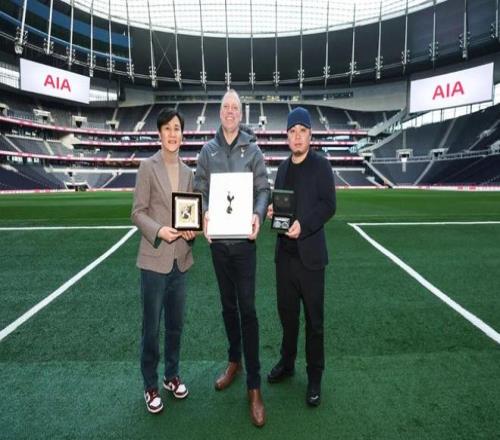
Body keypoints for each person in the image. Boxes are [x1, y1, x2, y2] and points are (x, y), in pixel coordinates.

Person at [194, 90, 270, 427]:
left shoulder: (253, 150)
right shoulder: (207, 151)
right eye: (225, 106)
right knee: (227, 306)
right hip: (218, 245)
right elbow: (199, 190)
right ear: (219, 112)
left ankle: (254, 386)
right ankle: (234, 361)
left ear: (241, 114)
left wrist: (257, 214)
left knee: (248, 309)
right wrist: (204, 213)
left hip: (244, 244)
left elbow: (263, 189)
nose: (229, 111)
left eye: (234, 107)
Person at [266, 107, 336, 407]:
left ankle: (314, 376)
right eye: (292, 132)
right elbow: (283, 206)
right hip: (284, 257)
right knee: (288, 316)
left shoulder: (321, 165)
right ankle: (287, 362)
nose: (297, 137)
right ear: (287, 136)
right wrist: (273, 212)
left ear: (310, 135)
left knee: (314, 321)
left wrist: (303, 226)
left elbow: (329, 205)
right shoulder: (282, 168)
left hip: (311, 259)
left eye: (302, 131)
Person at [131, 108, 196, 414]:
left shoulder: (188, 172)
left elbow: (189, 214)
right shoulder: (147, 167)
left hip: (180, 261)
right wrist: (159, 230)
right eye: (167, 128)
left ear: (183, 134)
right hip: (154, 261)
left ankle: (171, 376)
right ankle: (150, 385)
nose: (172, 134)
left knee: (175, 326)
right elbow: (137, 212)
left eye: (177, 129)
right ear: (159, 133)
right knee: (151, 329)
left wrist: (191, 232)